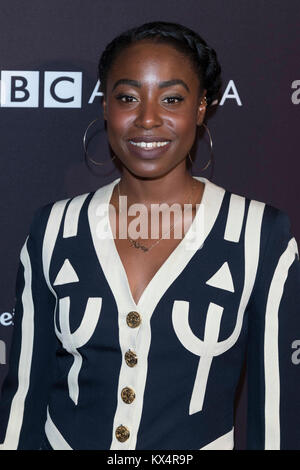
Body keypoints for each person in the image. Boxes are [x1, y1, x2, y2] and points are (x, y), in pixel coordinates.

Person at [0, 21, 299, 450]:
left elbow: (275, 416)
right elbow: (23, 399)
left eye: (172, 99)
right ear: (105, 107)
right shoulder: (53, 229)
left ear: (201, 108)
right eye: (127, 98)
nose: (147, 119)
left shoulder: (260, 235)